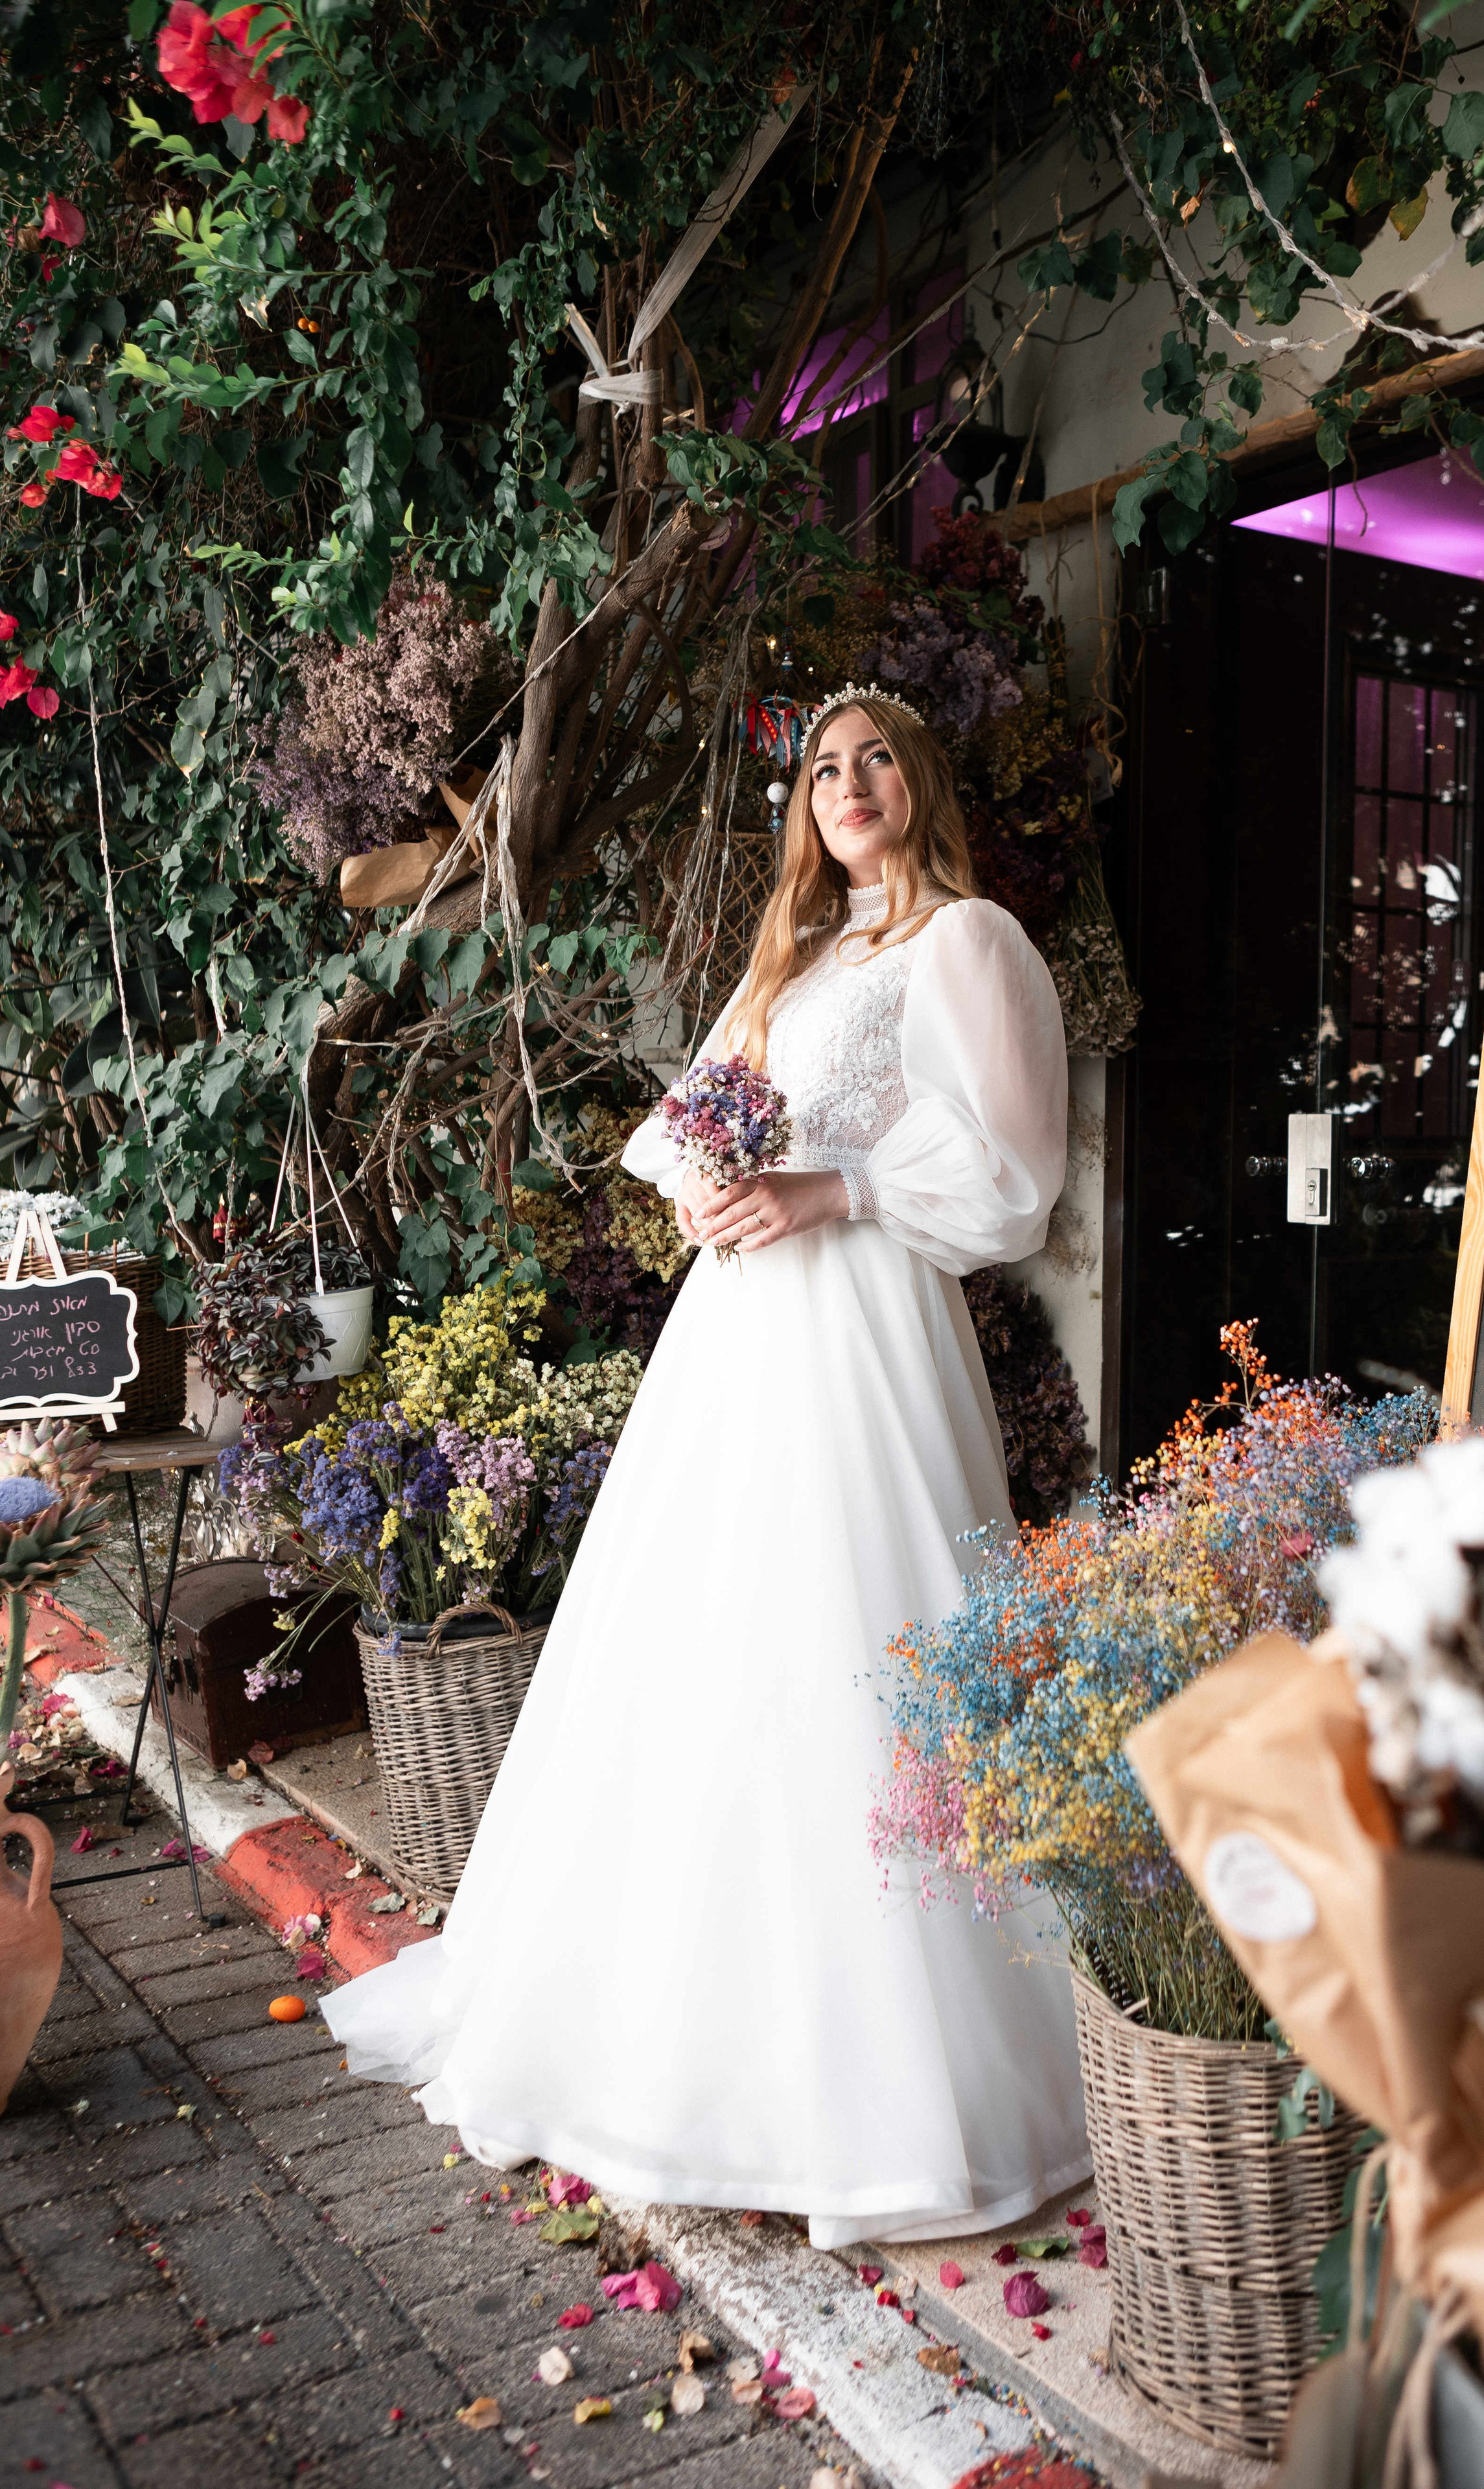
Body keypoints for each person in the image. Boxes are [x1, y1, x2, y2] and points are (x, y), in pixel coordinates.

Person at [323, 684, 1091, 2248]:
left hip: (868, 1332)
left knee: (875, 1639)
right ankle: (681, 2052)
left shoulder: (968, 942)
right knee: (716, 1648)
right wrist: (706, 1190)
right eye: (823, 766)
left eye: (878, 757)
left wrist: (832, 1188)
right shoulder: (790, 958)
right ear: (800, 802)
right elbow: (687, 1131)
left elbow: (1014, 1174)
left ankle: (899, 2088)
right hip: (738, 1346)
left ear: (916, 782)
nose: (849, 783)